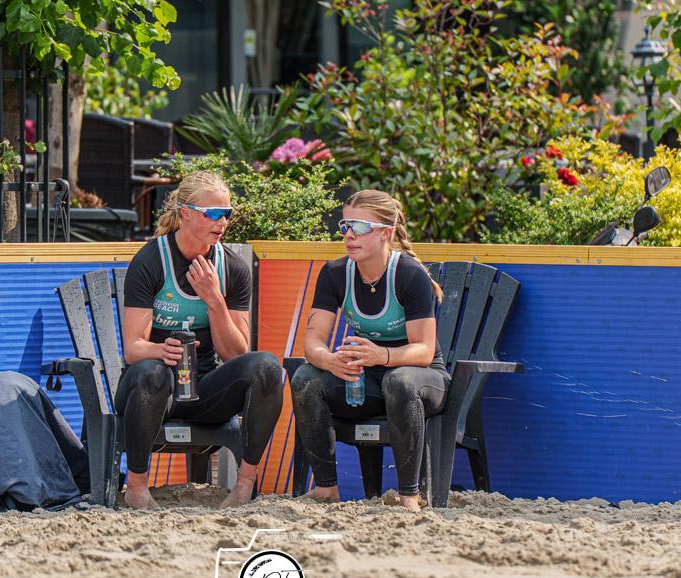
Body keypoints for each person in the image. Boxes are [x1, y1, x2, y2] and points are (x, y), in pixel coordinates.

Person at [116, 171, 283, 510]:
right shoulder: (151, 261)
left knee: (266, 367)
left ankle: (244, 484)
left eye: (227, 213)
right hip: (152, 389)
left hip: (202, 389)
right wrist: (161, 350)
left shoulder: (232, 267)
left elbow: (236, 353)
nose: (222, 222)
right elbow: (133, 349)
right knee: (153, 372)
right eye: (213, 213)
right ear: (186, 213)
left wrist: (215, 301)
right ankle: (136, 487)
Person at [289, 189, 448, 512]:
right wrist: (330, 361)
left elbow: (424, 352)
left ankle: (409, 496)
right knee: (306, 378)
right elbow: (312, 343)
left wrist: (382, 356)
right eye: (344, 225)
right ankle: (326, 488)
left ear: (385, 233)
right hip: (369, 378)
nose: (349, 235)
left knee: (399, 381)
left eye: (359, 227)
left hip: (422, 378)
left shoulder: (409, 274)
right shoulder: (335, 273)